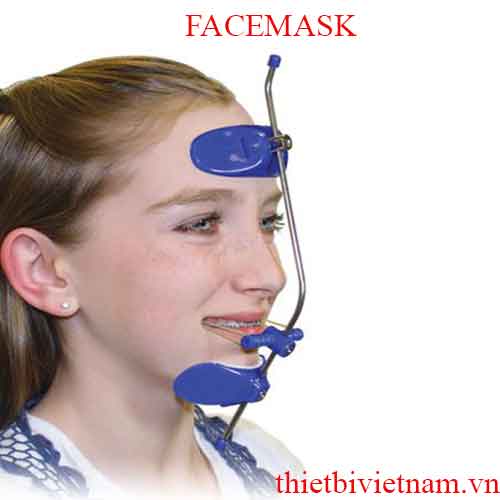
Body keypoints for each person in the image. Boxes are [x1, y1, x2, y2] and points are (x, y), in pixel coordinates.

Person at [0, 56, 302, 499]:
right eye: (201, 224)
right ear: (45, 271)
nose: (271, 276)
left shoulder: (271, 466)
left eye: (268, 221)